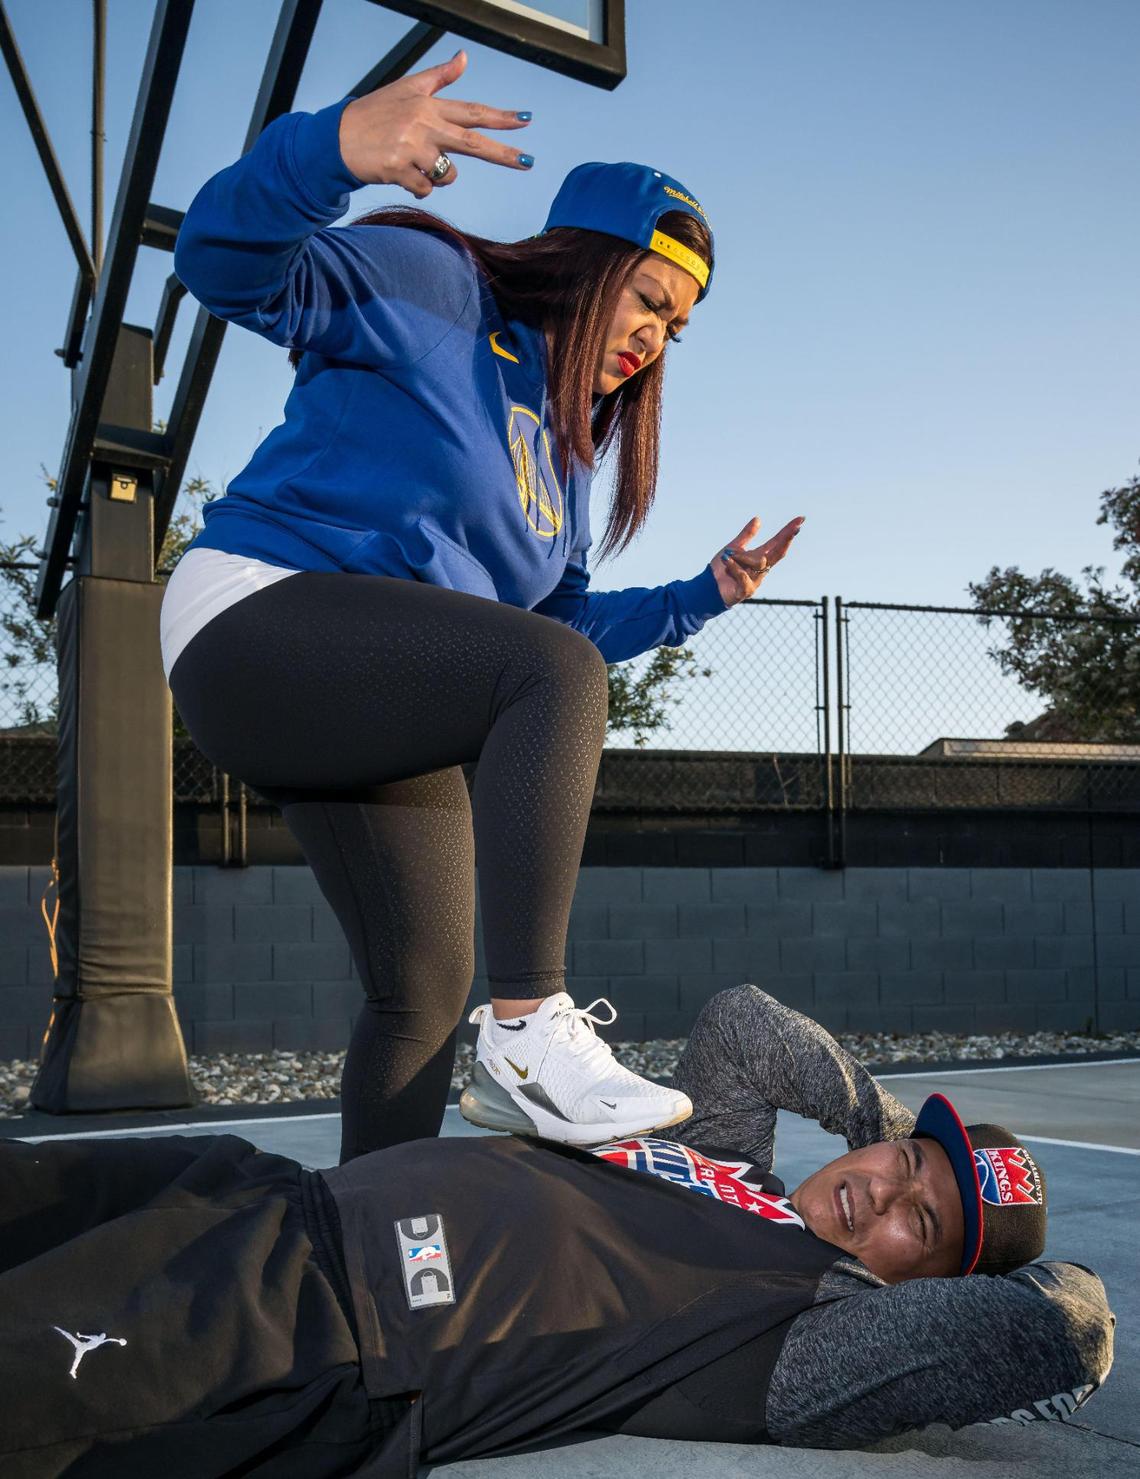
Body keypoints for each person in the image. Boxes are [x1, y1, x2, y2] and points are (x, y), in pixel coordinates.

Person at [162, 47, 804, 1164]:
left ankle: (368, 1251)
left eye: (678, 328)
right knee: (545, 682)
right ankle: (529, 1036)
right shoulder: (434, 287)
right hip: (255, 613)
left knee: (419, 990)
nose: (656, 336)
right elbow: (222, 263)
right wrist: (326, 153)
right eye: (649, 297)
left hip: (382, 689)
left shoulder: (564, 466)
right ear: (583, 264)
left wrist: (702, 597)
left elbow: (564, 638)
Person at [0, 987, 1113, 1477]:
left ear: (928, 1296)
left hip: (308, 1335)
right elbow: (742, 1023)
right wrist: (886, 1124)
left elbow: (1056, 1329)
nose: (880, 1191)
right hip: (270, 1198)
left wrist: (961, 1244)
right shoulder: (734, 1168)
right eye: (902, 1166)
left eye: (921, 1220)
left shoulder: (808, 1337)